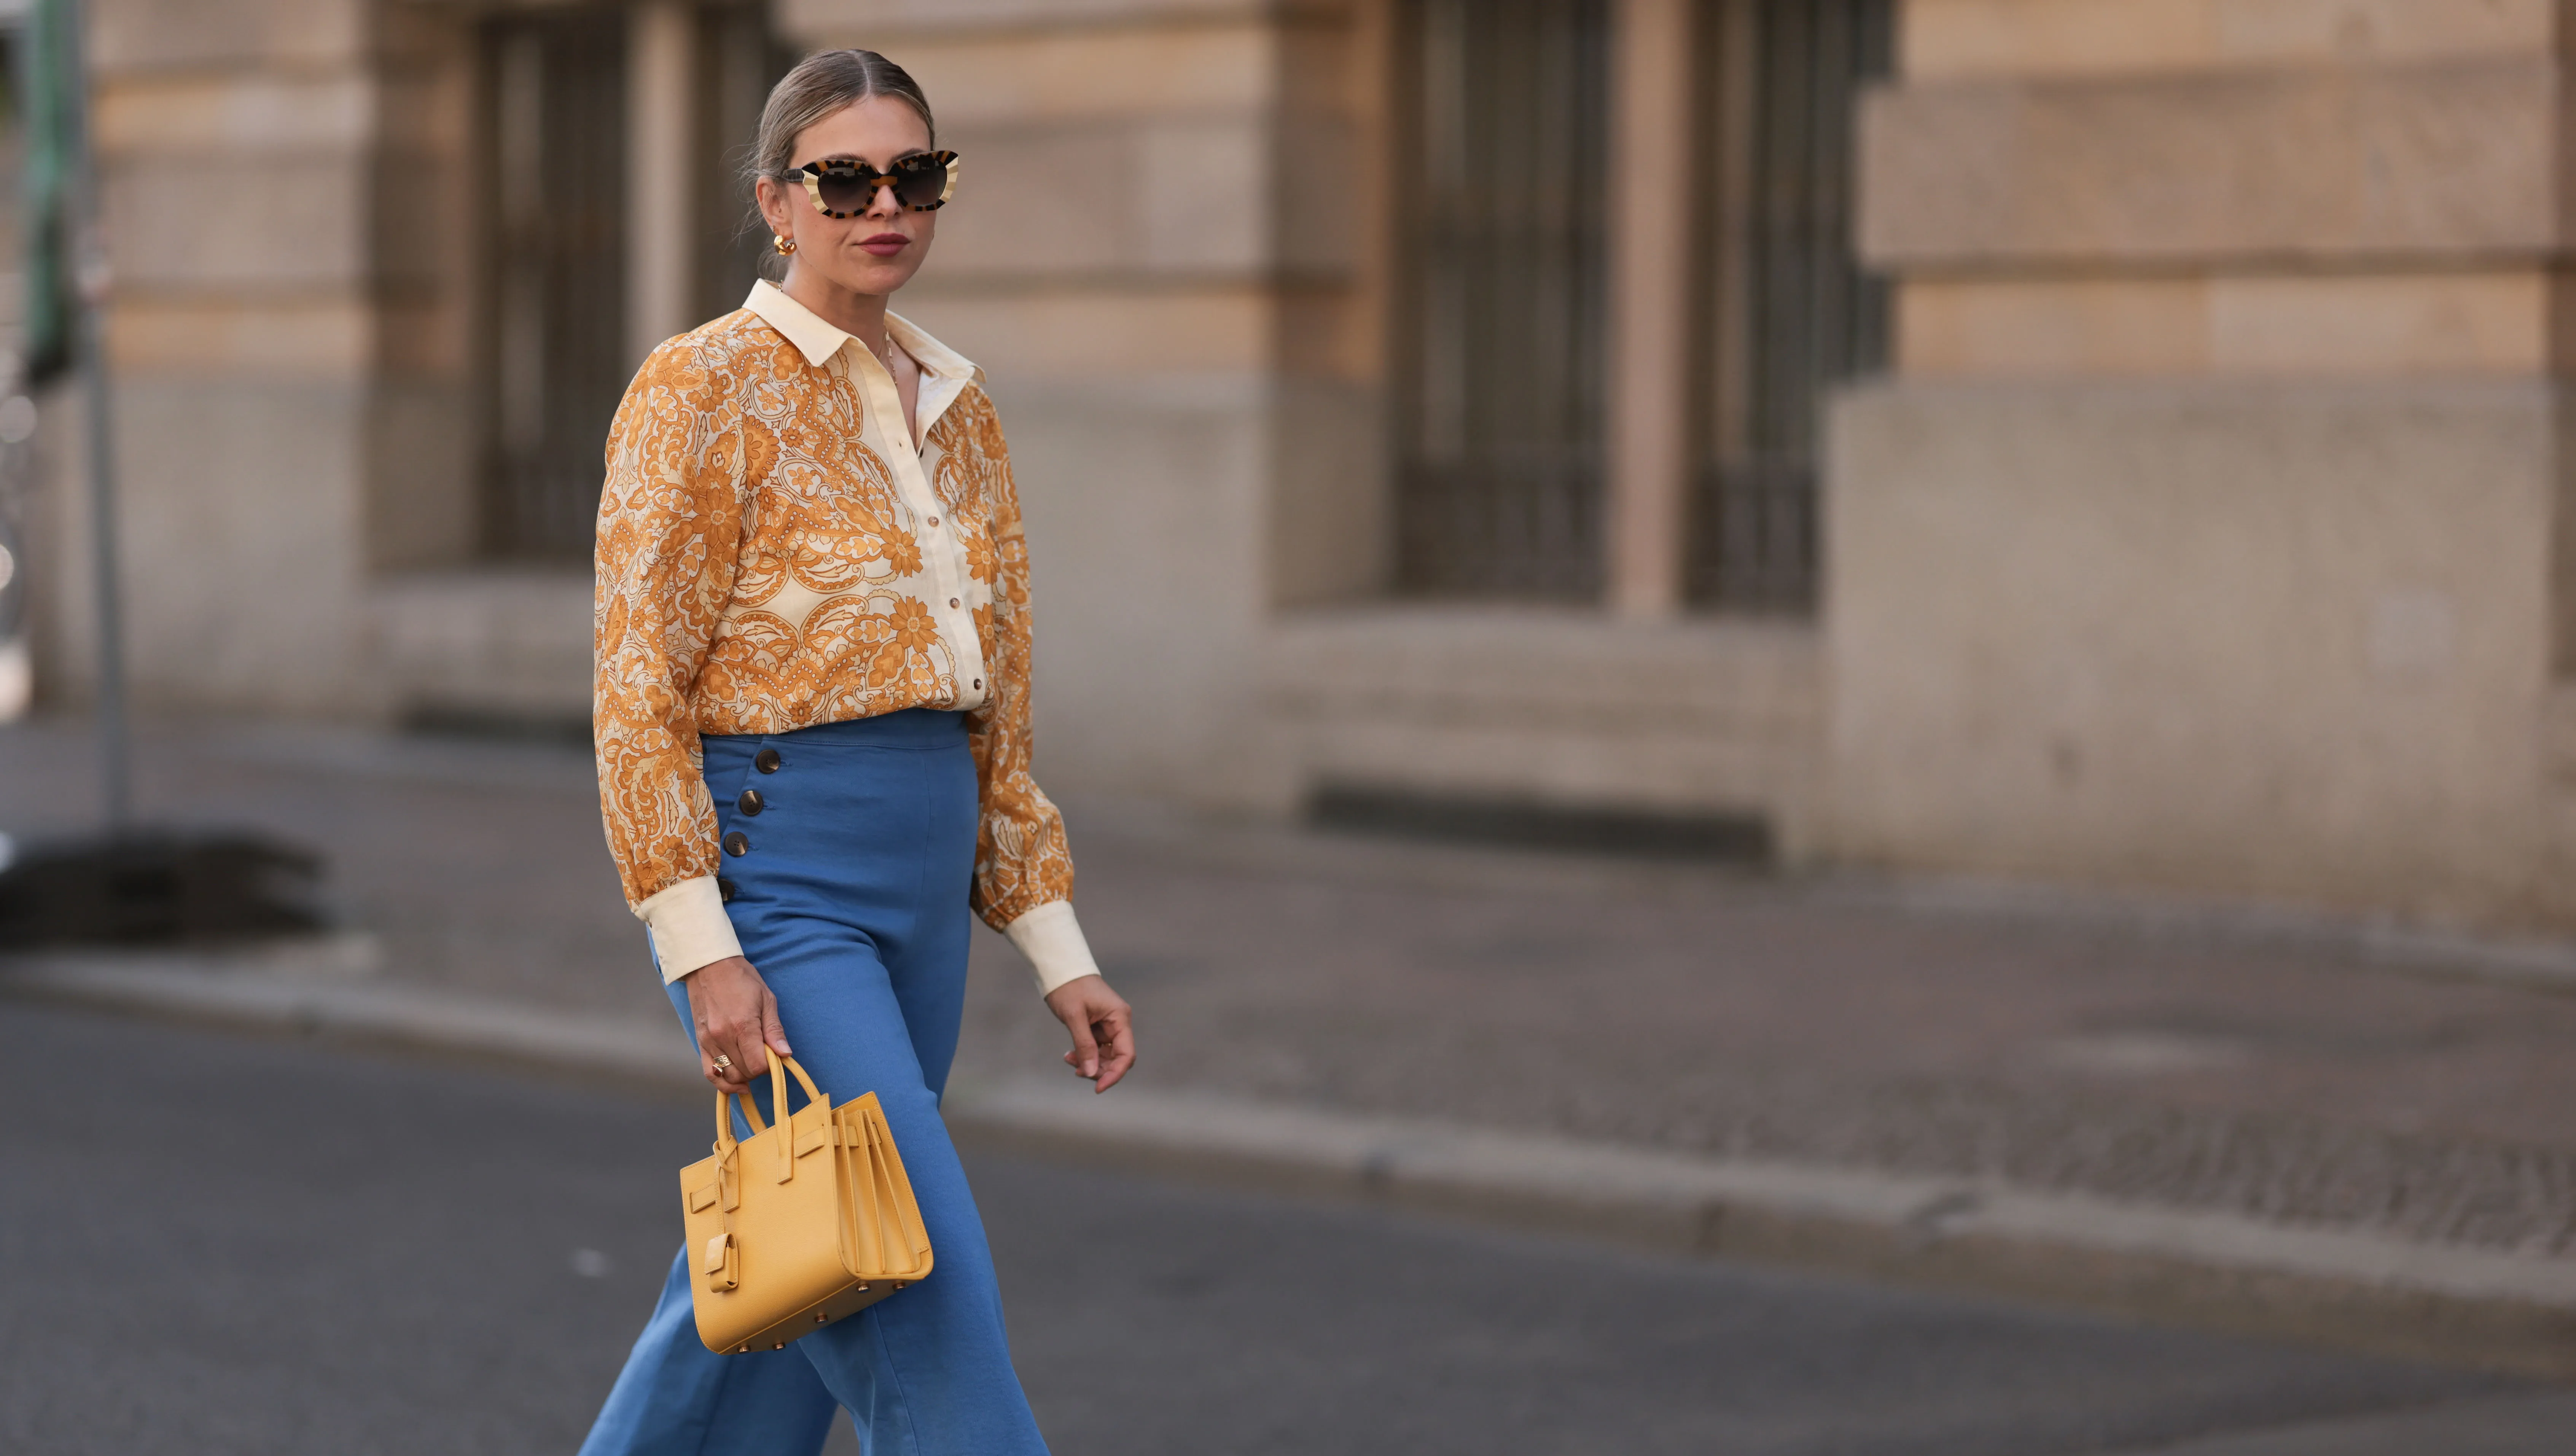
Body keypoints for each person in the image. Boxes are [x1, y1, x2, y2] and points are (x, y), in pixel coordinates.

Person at [580, 47, 1131, 1456]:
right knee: (919, 1296)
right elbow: (638, 686)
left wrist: (1057, 948)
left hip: (926, 889)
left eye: (915, 175)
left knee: (805, 1263)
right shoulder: (700, 388)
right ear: (779, 199)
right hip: (783, 885)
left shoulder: (961, 403)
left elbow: (996, 704)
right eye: (845, 177)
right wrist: (701, 947)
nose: (883, 204)